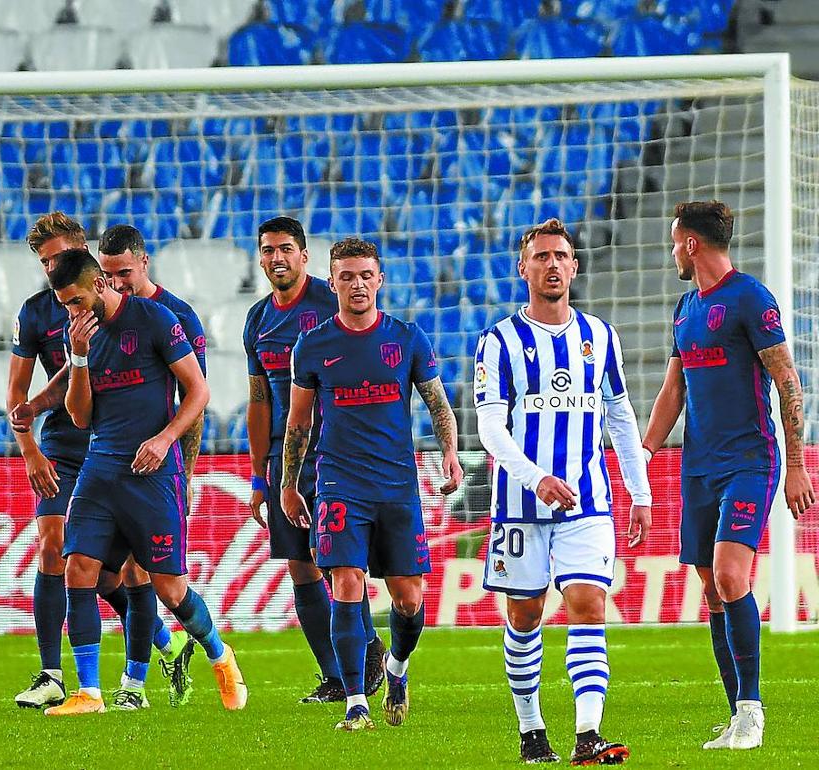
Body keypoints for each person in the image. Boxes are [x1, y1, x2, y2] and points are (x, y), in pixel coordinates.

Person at [474, 218, 650, 764]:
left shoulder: (600, 336)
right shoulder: (498, 340)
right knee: (524, 617)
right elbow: (489, 427)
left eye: (562, 256)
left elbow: (619, 415)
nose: (553, 265)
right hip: (520, 506)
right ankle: (532, 732)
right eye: (542, 256)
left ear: (574, 267)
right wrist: (536, 478)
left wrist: (638, 489)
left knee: (587, 604)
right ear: (522, 268)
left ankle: (587, 734)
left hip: (588, 500)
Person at [42, 248, 246, 715]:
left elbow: (199, 391)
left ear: (99, 287)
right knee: (79, 570)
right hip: (100, 467)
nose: (71, 313)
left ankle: (220, 654)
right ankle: (89, 693)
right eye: (64, 306)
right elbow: (78, 415)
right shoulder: (82, 337)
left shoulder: (154, 319)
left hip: (152, 472)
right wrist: (76, 358)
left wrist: (165, 438)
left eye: (75, 302)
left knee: (169, 588)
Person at [642, 201, 815, 751]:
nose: (672, 252)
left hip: (749, 462)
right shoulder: (684, 307)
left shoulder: (751, 298)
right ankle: (735, 715)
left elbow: (787, 381)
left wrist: (798, 464)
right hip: (697, 467)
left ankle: (752, 712)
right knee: (713, 590)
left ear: (691, 243)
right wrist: (644, 452)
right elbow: (674, 390)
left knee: (732, 575)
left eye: (675, 242)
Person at [10, 213, 191, 709]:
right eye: (43, 261)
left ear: (84, 254)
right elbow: (22, 393)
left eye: (58, 256)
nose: (51, 268)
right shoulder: (36, 312)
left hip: (120, 449)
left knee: (126, 575)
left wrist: (183, 469)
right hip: (66, 447)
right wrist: (29, 447)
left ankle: (156, 652)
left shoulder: (146, 313)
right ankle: (53, 674)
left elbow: (188, 397)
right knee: (57, 549)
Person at [281, 238, 462, 731]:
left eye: (366, 275)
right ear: (332, 281)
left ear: (379, 280)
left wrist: (449, 451)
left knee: (409, 599)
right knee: (345, 582)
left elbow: (437, 404)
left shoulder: (406, 338)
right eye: (347, 276)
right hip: (339, 483)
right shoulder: (313, 345)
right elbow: (298, 423)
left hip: (398, 486)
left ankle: (397, 670)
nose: (357, 284)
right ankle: (356, 701)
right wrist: (289, 483)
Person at [242, 216, 385, 703]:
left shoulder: (331, 303)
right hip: (288, 457)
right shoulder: (257, 320)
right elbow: (259, 399)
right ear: (260, 258)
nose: (277, 258)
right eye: (268, 250)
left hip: (338, 453)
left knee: (339, 565)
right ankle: (335, 675)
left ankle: (365, 656)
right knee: (300, 567)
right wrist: (261, 474)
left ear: (305, 256)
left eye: (286, 248)